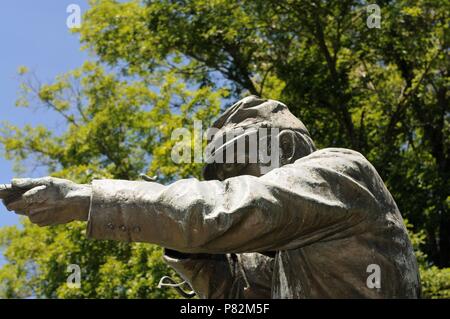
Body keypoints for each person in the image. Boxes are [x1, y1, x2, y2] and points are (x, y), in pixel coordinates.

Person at [0, 96, 421, 298]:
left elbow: (224, 210)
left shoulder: (340, 173)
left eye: (237, 169)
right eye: (220, 175)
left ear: (287, 149)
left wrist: (86, 199)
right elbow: (236, 300)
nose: (228, 181)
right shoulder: (283, 258)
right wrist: (181, 245)